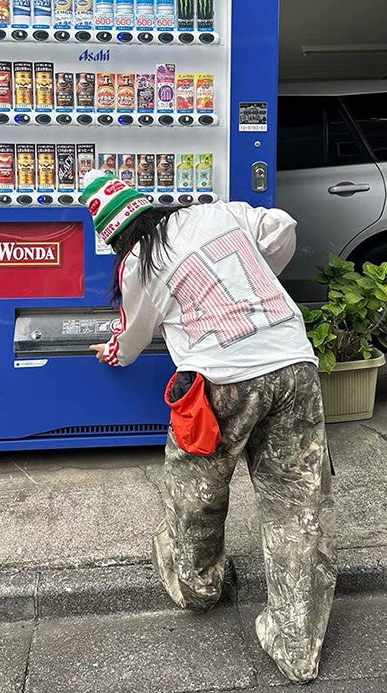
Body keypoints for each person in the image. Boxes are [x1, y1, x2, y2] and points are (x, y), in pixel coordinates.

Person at [81, 169, 336, 683]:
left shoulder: (139, 262)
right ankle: (295, 647)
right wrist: (258, 278)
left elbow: (131, 339)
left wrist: (111, 353)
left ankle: (198, 587)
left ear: (113, 237)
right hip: (294, 364)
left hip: (221, 383)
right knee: (296, 508)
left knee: (196, 493)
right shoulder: (217, 212)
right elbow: (282, 225)